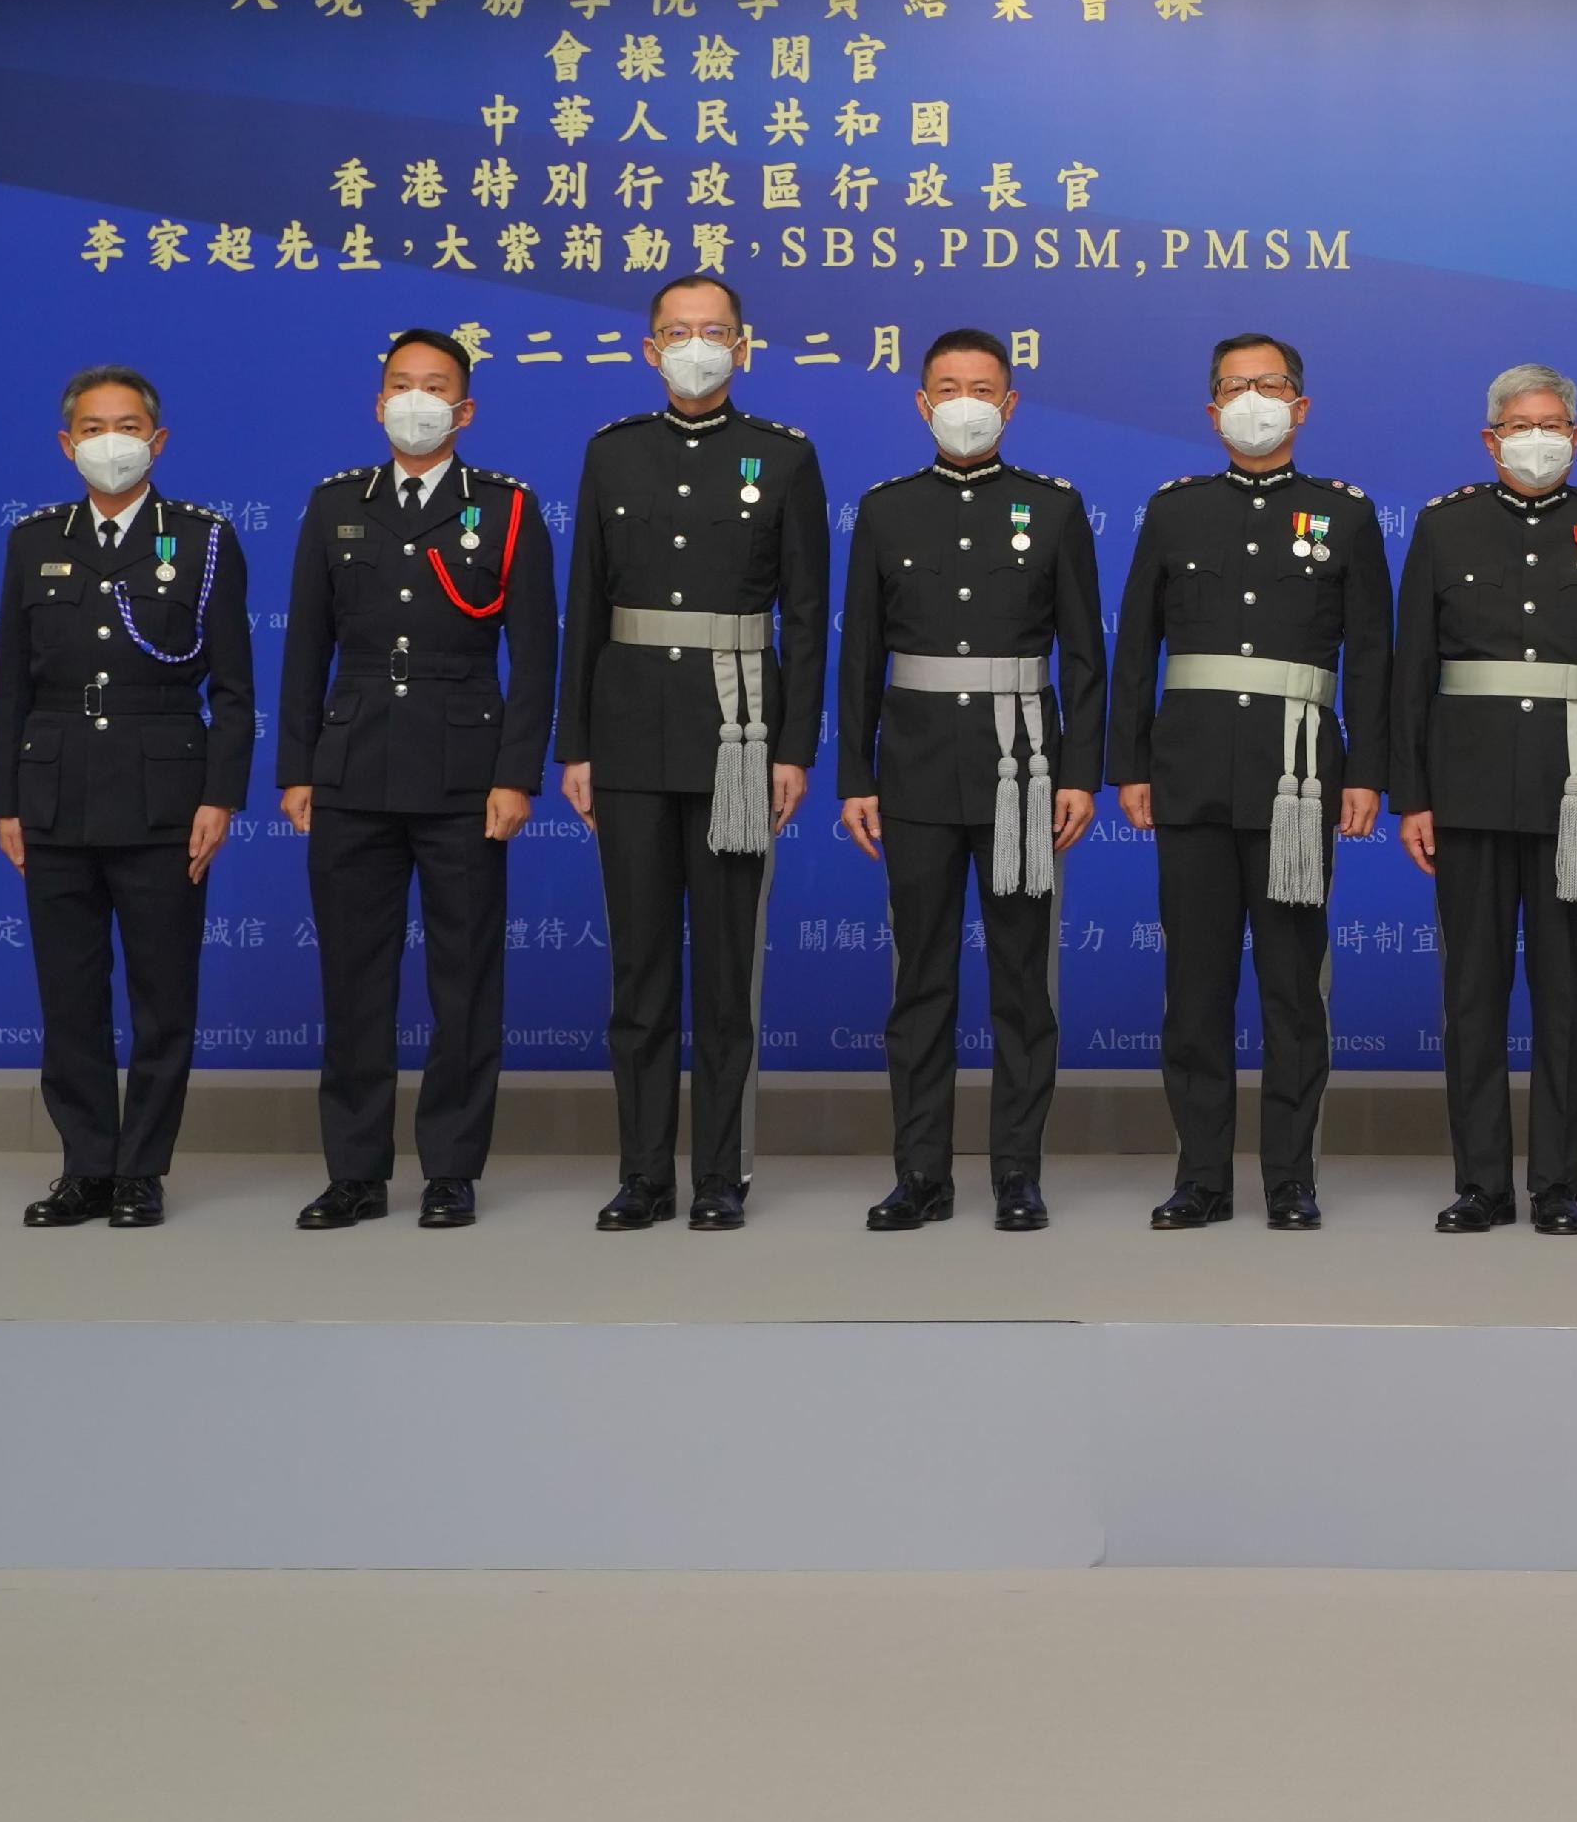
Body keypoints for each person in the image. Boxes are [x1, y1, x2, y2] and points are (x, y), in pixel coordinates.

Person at [558, 274, 828, 1234]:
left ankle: (719, 1173)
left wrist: (794, 749)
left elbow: (807, 614)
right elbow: (584, 603)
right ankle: (641, 1174)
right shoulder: (612, 453)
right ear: (648, 348)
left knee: (722, 973)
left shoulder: (783, 458)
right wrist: (574, 744)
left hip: (738, 733)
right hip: (628, 734)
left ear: (744, 346)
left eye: (714, 331)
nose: (696, 346)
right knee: (638, 975)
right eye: (678, 331)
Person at [276, 328, 558, 1233]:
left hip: (463, 774)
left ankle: (450, 1169)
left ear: (465, 409)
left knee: (463, 981)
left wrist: (516, 775)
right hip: (352, 767)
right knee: (353, 979)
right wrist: (296, 770)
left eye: (436, 386)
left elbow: (537, 657)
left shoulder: (507, 508)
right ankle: (354, 1171)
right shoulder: (334, 504)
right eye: (401, 384)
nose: (417, 399)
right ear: (377, 401)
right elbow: (304, 650)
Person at [1114, 333, 1390, 1233]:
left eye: (1270, 385)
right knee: (1193, 990)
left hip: (1300, 782)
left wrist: (1368, 773)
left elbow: (1374, 659)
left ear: (1301, 406)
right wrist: (1129, 764)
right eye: (1236, 387)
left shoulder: (1343, 514)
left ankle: (1289, 1178)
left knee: (1290, 988)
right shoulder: (1174, 509)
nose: (1253, 399)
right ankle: (1199, 1176)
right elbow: (1134, 648)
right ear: (1211, 410)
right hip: (1188, 774)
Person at [836, 330, 1106, 1234]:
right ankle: (920, 1173)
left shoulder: (1054, 507)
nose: (965, 401)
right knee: (922, 979)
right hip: (911, 770)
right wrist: (854, 772)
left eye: (982, 387)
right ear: (921, 403)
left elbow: (1085, 658)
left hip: (1022, 772)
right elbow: (860, 653)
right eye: (947, 387)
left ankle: (1018, 1173)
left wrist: (1079, 774)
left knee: (1023, 982)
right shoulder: (885, 509)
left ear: (1011, 402)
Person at [1391, 364, 1577, 1237]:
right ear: (1490, 436)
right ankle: (1480, 1183)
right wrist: (1413, 795)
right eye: (1518, 423)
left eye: (1552, 424)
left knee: (1564, 997)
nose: (1535, 437)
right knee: (1470, 995)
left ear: (1576, 438)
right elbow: (1411, 672)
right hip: (1463, 794)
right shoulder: (1444, 525)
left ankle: (1555, 1184)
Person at [0, 366, 254, 1229]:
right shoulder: (34, 539)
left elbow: (235, 690)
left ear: (158, 440)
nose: (112, 441)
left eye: (129, 425)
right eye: (94, 427)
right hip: (56, 793)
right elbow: (8, 687)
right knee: (68, 994)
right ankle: (84, 1167)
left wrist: (220, 795)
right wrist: (7, 801)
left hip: (162, 798)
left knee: (161, 995)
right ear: (68, 444)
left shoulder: (204, 538)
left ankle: (142, 1169)